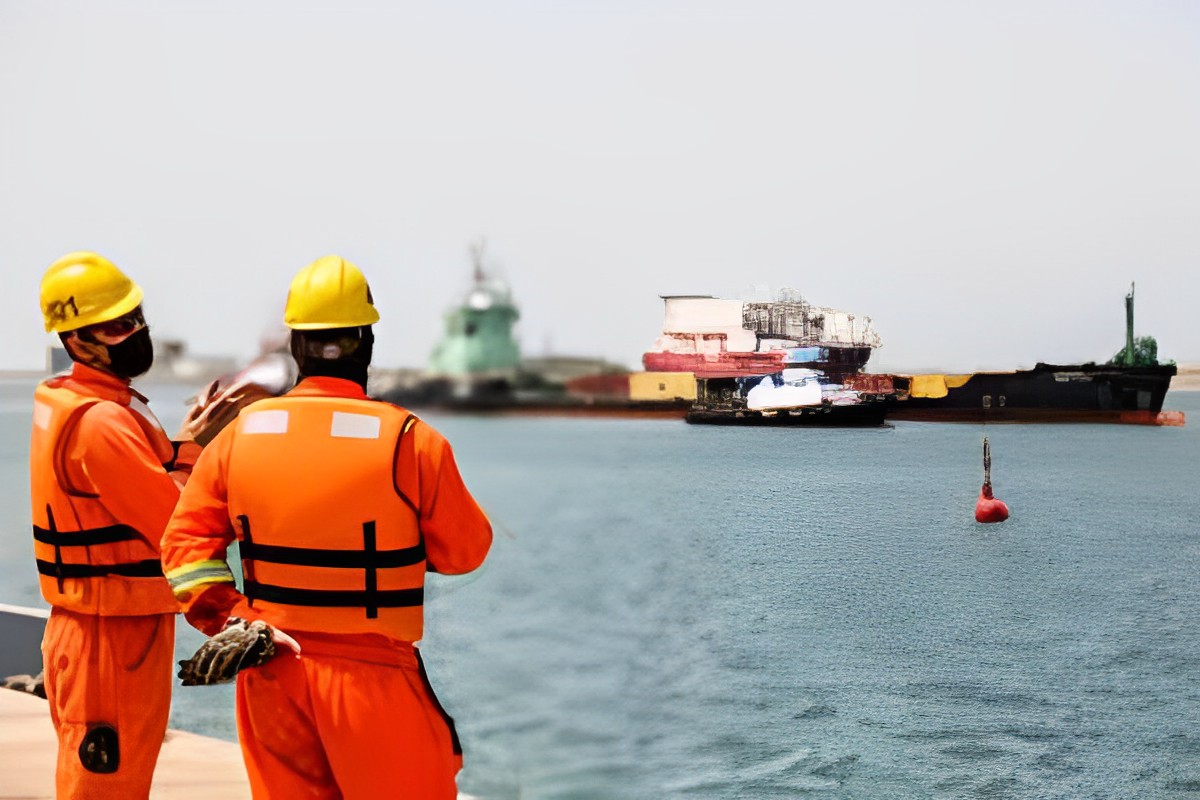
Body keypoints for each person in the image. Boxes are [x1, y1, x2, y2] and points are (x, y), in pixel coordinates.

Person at [161, 255, 493, 799]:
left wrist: (235, 617)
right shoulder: (410, 441)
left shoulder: (238, 438)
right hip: (374, 678)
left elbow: (183, 549)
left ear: (296, 346)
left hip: (270, 667)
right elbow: (465, 553)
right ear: (365, 341)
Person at [30, 251, 243, 798]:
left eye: (139, 316)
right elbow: (175, 526)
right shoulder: (103, 421)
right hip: (110, 643)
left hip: (98, 629)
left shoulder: (72, 400)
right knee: (108, 786)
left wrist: (188, 445)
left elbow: (137, 486)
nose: (139, 332)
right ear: (78, 340)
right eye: (121, 324)